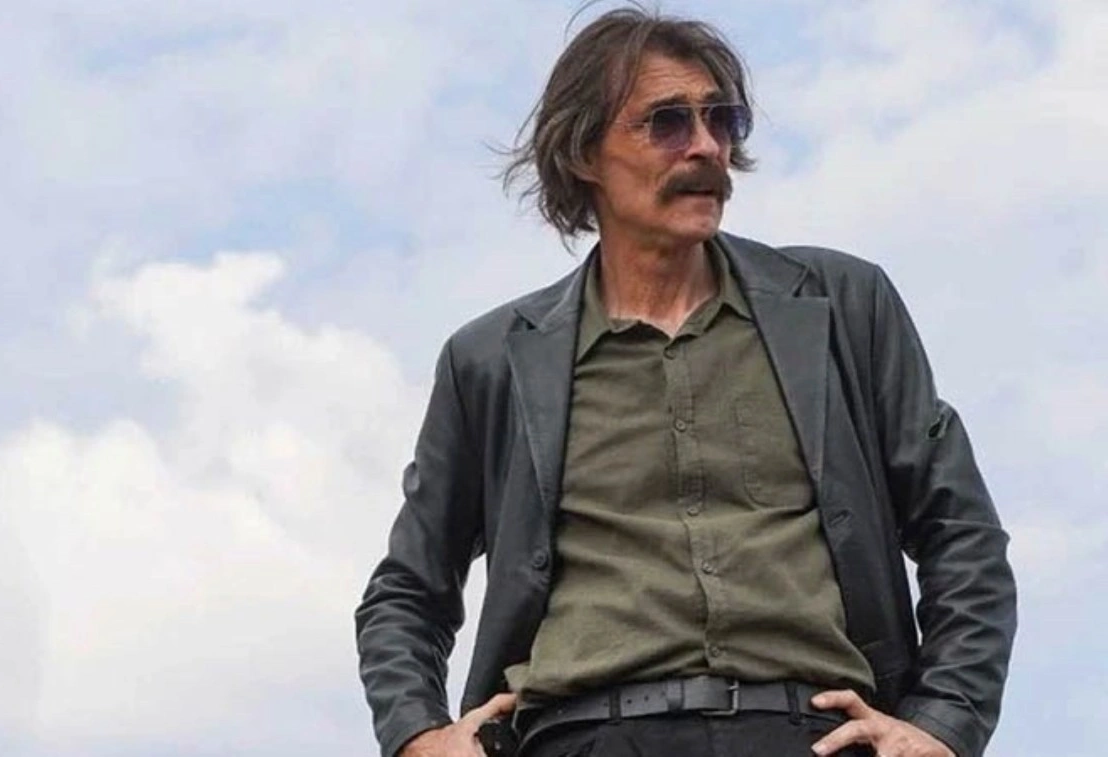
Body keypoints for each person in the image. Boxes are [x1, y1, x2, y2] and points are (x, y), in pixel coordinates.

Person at [355, 7, 1017, 757]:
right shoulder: (490, 361)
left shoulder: (842, 307)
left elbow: (960, 530)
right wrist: (419, 735)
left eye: (721, 119)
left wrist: (943, 723)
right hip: (583, 736)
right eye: (667, 122)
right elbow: (406, 590)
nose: (706, 146)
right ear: (583, 152)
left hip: (812, 733)